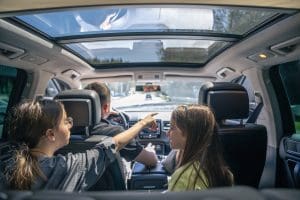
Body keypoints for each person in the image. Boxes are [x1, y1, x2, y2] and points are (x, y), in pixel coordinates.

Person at [4, 99, 157, 191]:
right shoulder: (67, 167)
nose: (70, 124)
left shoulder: (6, 162)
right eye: (66, 121)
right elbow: (113, 145)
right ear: (50, 134)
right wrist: (143, 123)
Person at [85, 82, 157, 167]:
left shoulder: (68, 132)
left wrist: (105, 113)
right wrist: (150, 150)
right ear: (105, 107)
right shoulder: (116, 133)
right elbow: (152, 161)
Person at [166, 104, 234, 191]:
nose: (167, 133)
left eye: (172, 127)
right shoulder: (226, 175)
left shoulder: (183, 177)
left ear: (189, 134)